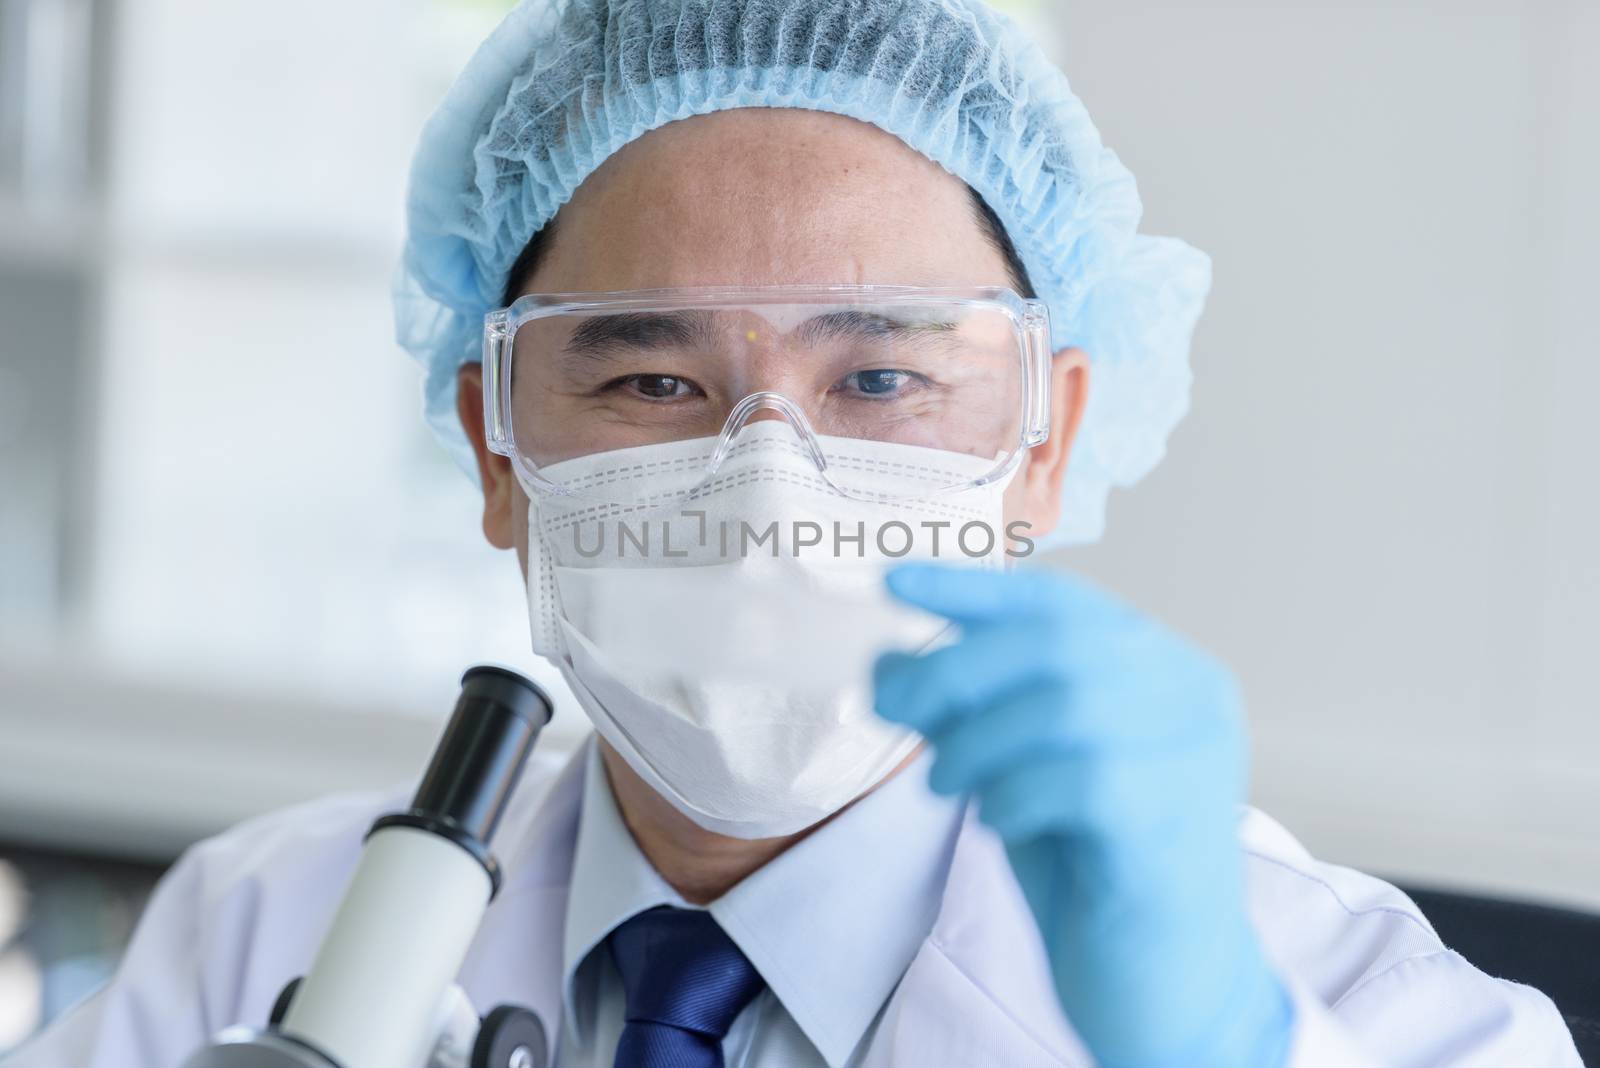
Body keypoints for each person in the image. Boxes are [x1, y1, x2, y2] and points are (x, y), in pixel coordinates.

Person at [7, 1, 1582, 1066]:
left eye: (881, 374)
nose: (769, 488)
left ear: (1050, 441)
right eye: (651, 374)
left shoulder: (1352, 1008)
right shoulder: (255, 942)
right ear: (498, 450)